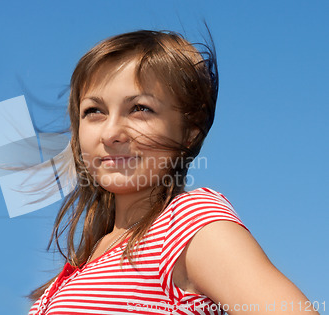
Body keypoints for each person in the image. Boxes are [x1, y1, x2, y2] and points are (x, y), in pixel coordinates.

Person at [27, 28, 317, 315]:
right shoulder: (76, 269)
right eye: (94, 111)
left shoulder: (185, 223)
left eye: (140, 108)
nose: (111, 132)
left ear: (189, 131)